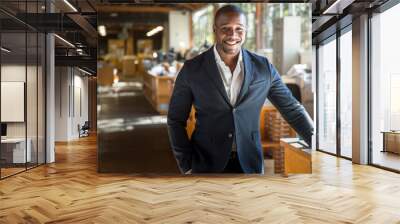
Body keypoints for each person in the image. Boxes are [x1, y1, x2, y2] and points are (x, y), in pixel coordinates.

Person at [167, 5, 313, 174]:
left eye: (239, 29)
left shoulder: (263, 67)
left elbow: (292, 110)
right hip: (206, 163)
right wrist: (186, 165)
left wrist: (319, 146)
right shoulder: (192, 69)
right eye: (225, 29)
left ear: (246, 31)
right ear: (214, 29)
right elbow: (175, 120)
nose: (233, 35)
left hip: (250, 163)